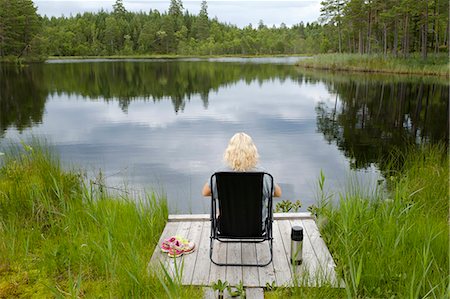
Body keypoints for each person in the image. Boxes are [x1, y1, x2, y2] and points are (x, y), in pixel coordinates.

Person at [202, 132, 281, 226]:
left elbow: (205, 192)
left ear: (229, 151)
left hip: (227, 227)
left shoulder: (220, 174)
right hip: (256, 228)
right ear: (252, 151)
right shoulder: (263, 174)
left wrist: (226, 192)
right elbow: (278, 193)